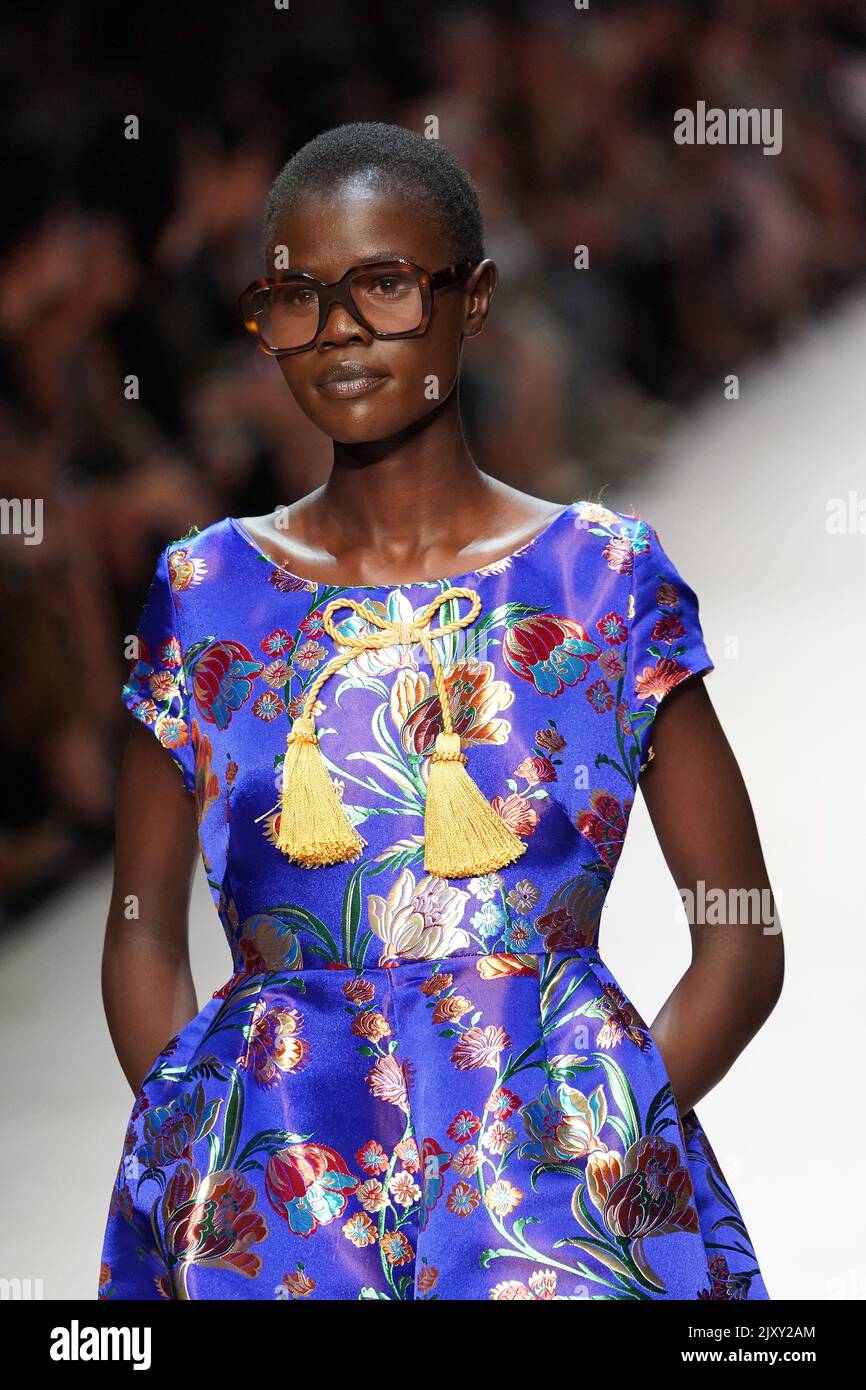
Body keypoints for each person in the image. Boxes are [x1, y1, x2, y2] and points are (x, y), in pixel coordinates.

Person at [98, 122, 781, 1302]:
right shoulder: (205, 594)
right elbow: (142, 923)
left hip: (564, 1224)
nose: (341, 331)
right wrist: (196, 1133)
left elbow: (738, 930)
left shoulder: (599, 581)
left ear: (472, 300)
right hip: (278, 1213)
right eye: (296, 297)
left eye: (384, 285)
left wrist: (602, 1145)